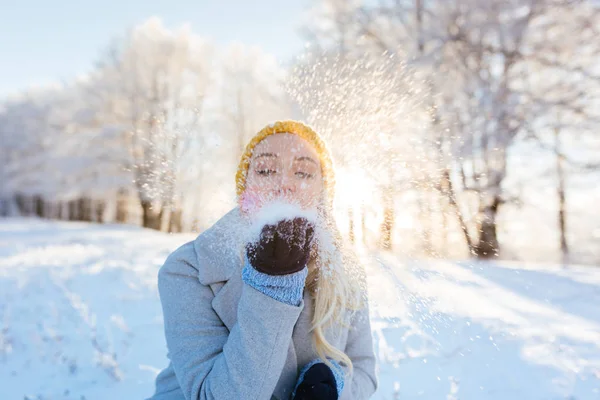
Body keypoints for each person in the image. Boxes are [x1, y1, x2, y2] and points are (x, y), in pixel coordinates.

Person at [149, 120, 378, 400]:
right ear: (245, 192)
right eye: (266, 170)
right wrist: (272, 287)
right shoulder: (190, 268)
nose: (285, 184)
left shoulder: (346, 273)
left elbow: (364, 369)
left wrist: (334, 385)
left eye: (304, 173)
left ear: (322, 196)